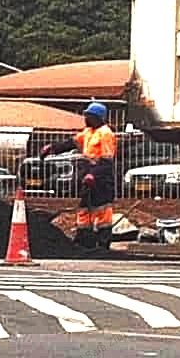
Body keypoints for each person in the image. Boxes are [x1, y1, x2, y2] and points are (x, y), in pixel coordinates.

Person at [40, 101, 117, 249]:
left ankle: (103, 242)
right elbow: (71, 143)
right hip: (88, 175)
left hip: (101, 178)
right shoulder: (88, 132)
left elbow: (106, 160)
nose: (86, 119)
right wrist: (52, 148)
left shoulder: (106, 134)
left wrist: (93, 175)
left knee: (102, 210)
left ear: (98, 117)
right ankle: (84, 241)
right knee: (84, 209)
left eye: (88, 116)